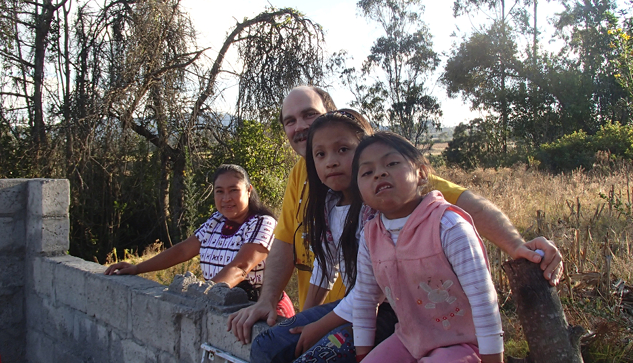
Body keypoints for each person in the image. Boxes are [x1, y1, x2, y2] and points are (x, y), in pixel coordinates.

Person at [227, 86, 562, 345]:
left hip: (378, 316)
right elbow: (286, 242)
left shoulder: (379, 176)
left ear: (334, 115)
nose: (299, 126)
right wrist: (269, 301)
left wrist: (517, 245)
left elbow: (463, 202)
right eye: (289, 120)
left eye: (308, 115)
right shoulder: (304, 177)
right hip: (329, 315)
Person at [352, 131, 503, 363]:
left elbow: (483, 298)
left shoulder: (448, 226)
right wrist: (362, 356)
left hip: (463, 342)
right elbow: (364, 299)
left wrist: (493, 358)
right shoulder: (370, 237)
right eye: (367, 172)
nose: (380, 173)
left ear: (421, 173)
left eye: (392, 163)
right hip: (409, 340)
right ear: (360, 191)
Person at [105, 164, 294, 317]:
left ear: (249, 191)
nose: (226, 198)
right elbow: (183, 250)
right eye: (220, 191)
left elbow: (241, 267)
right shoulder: (216, 221)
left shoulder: (263, 223)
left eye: (233, 190)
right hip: (220, 307)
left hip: (258, 312)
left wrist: (203, 294)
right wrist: (137, 268)